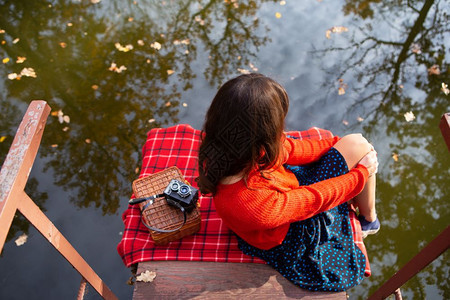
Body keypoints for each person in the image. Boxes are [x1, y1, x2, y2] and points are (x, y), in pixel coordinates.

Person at [196, 73, 380, 292]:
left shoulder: (228, 143)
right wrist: (359, 174)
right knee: (362, 151)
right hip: (287, 234)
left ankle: (368, 215)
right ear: (262, 133)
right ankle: (369, 219)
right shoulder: (250, 203)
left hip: (281, 195)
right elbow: (312, 200)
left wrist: (335, 145)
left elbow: (290, 148)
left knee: (355, 143)